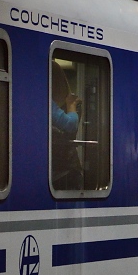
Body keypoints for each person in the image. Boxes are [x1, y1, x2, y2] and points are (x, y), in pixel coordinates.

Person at [50, 61, 82, 190]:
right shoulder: (47, 101)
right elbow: (70, 125)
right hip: (65, 169)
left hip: (56, 169)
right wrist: (72, 107)